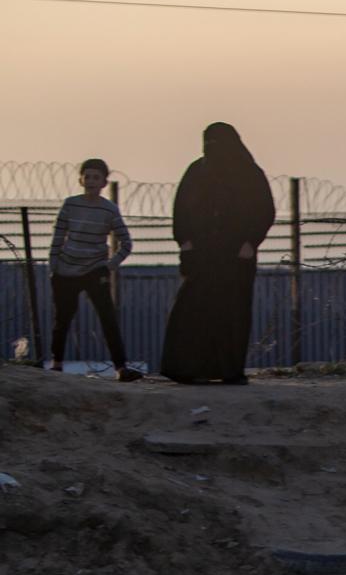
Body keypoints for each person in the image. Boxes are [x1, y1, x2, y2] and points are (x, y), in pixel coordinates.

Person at [160, 122, 275, 385]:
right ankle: (187, 368)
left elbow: (264, 210)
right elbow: (182, 209)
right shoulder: (197, 171)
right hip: (202, 255)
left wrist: (250, 242)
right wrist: (186, 242)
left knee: (232, 313)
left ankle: (228, 369)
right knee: (192, 311)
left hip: (236, 257)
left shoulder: (249, 174)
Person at [47, 157, 141, 381]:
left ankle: (120, 368)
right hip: (66, 271)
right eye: (87, 176)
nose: (90, 181)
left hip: (94, 271)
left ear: (104, 183)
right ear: (81, 180)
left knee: (108, 319)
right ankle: (56, 364)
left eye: (96, 177)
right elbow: (58, 237)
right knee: (62, 320)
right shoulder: (71, 204)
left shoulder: (109, 210)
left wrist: (109, 266)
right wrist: (54, 267)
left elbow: (126, 243)